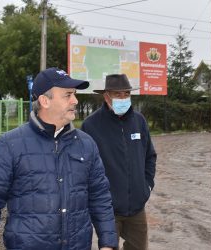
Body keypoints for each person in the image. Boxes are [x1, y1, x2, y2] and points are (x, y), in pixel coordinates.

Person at [0, 67, 117, 250]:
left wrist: (108, 243)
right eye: (68, 95)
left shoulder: (86, 144)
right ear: (45, 101)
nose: (75, 100)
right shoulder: (9, 144)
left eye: (75, 94)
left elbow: (100, 197)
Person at [81, 74, 157, 250]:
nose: (123, 98)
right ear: (106, 96)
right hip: (108, 209)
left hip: (137, 207)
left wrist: (147, 186)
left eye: (126, 94)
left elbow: (150, 156)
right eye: (118, 94)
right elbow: (85, 168)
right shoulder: (91, 125)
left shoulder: (139, 121)